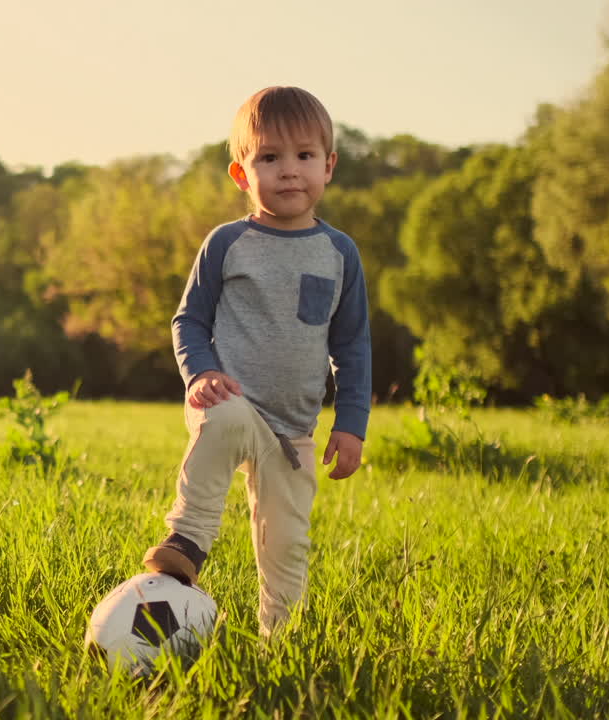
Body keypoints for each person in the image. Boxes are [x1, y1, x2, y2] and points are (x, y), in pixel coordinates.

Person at [142, 86, 372, 636]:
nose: (289, 171)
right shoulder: (228, 243)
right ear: (242, 174)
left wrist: (352, 424)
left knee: (287, 545)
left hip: (292, 432)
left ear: (329, 166)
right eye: (269, 157)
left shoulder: (339, 253)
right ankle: (188, 539)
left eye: (304, 156)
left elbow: (353, 345)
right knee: (221, 415)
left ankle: (280, 639)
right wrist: (201, 373)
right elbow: (188, 321)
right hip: (230, 402)